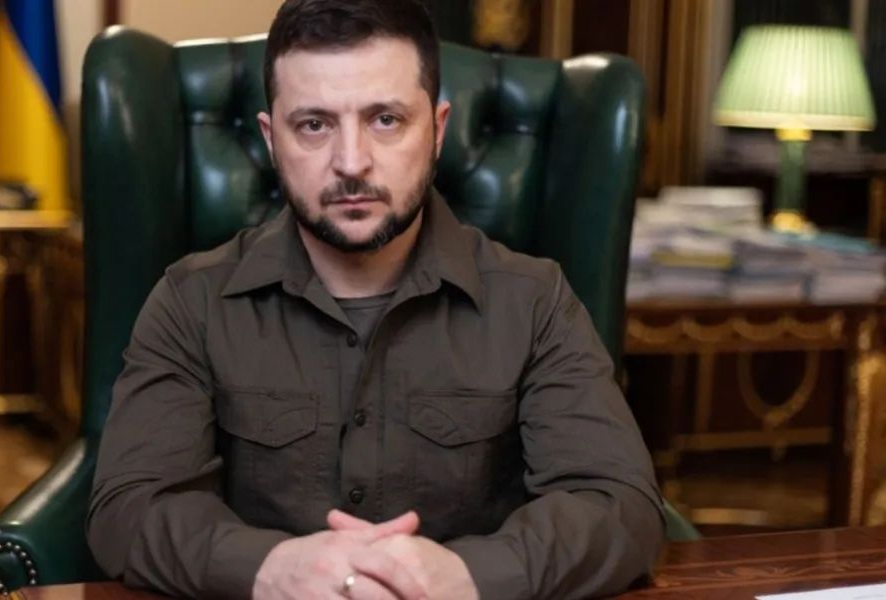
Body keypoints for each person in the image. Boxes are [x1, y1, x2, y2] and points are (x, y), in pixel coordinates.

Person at [86, 0, 664, 598]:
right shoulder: (190, 301)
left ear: (437, 130)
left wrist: (468, 575)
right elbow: (127, 508)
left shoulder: (536, 302)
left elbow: (619, 505)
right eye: (314, 125)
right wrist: (270, 567)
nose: (352, 163)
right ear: (270, 138)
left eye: (386, 119)